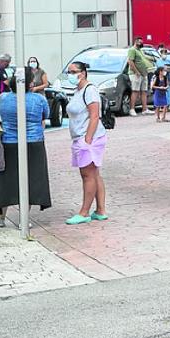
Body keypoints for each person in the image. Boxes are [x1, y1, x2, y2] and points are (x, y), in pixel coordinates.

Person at [0, 68, 52, 228]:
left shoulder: (3, 98)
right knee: (31, 179)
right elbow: (45, 115)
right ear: (30, 82)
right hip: (34, 142)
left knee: (6, 179)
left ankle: (1, 217)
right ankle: (23, 219)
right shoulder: (39, 99)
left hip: (9, 143)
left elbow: (0, 117)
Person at [64, 61, 108, 225]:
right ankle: (100, 209)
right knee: (94, 173)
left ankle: (84, 212)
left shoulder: (90, 90)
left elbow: (94, 115)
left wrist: (87, 139)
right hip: (82, 136)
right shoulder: (78, 91)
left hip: (89, 138)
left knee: (87, 174)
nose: (70, 75)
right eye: (69, 71)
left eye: (73, 71)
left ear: (82, 73)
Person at [125, 38, 153, 114]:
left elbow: (144, 59)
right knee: (135, 91)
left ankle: (144, 109)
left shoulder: (140, 50)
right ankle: (132, 109)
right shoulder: (132, 50)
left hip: (144, 73)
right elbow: (130, 61)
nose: (141, 43)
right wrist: (136, 72)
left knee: (144, 91)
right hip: (135, 74)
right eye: (140, 42)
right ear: (136, 41)